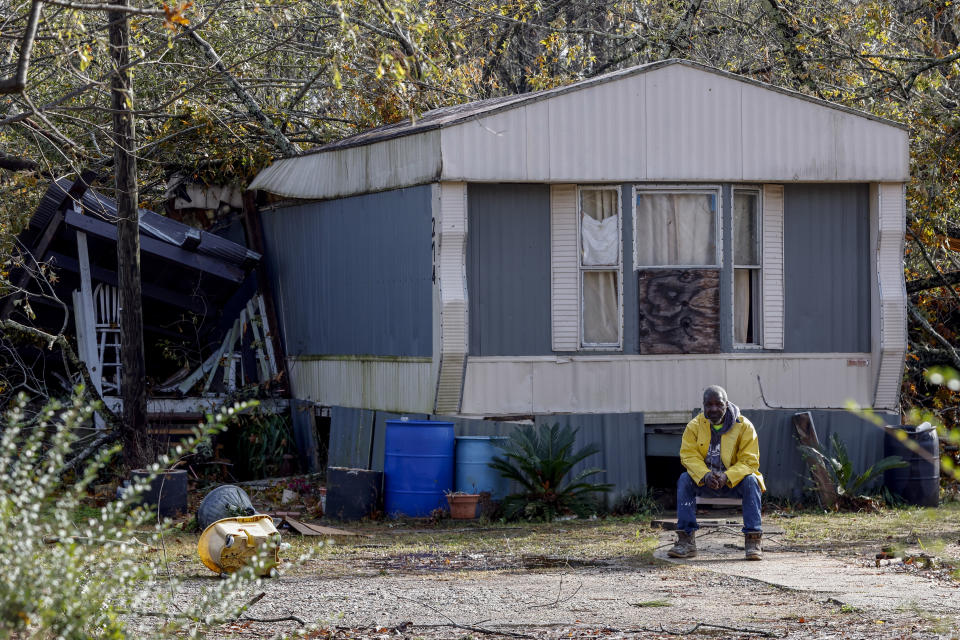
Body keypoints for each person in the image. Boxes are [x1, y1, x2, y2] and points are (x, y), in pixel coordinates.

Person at [667, 385, 765, 561]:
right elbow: (688, 456)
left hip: (734, 483)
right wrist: (705, 475)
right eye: (708, 404)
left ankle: (753, 539)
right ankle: (686, 541)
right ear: (703, 406)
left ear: (726, 404)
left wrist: (727, 476)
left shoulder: (744, 427)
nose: (713, 409)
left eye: (718, 404)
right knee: (684, 479)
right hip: (706, 482)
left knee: (752, 481)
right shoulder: (694, 426)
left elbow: (749, 461)